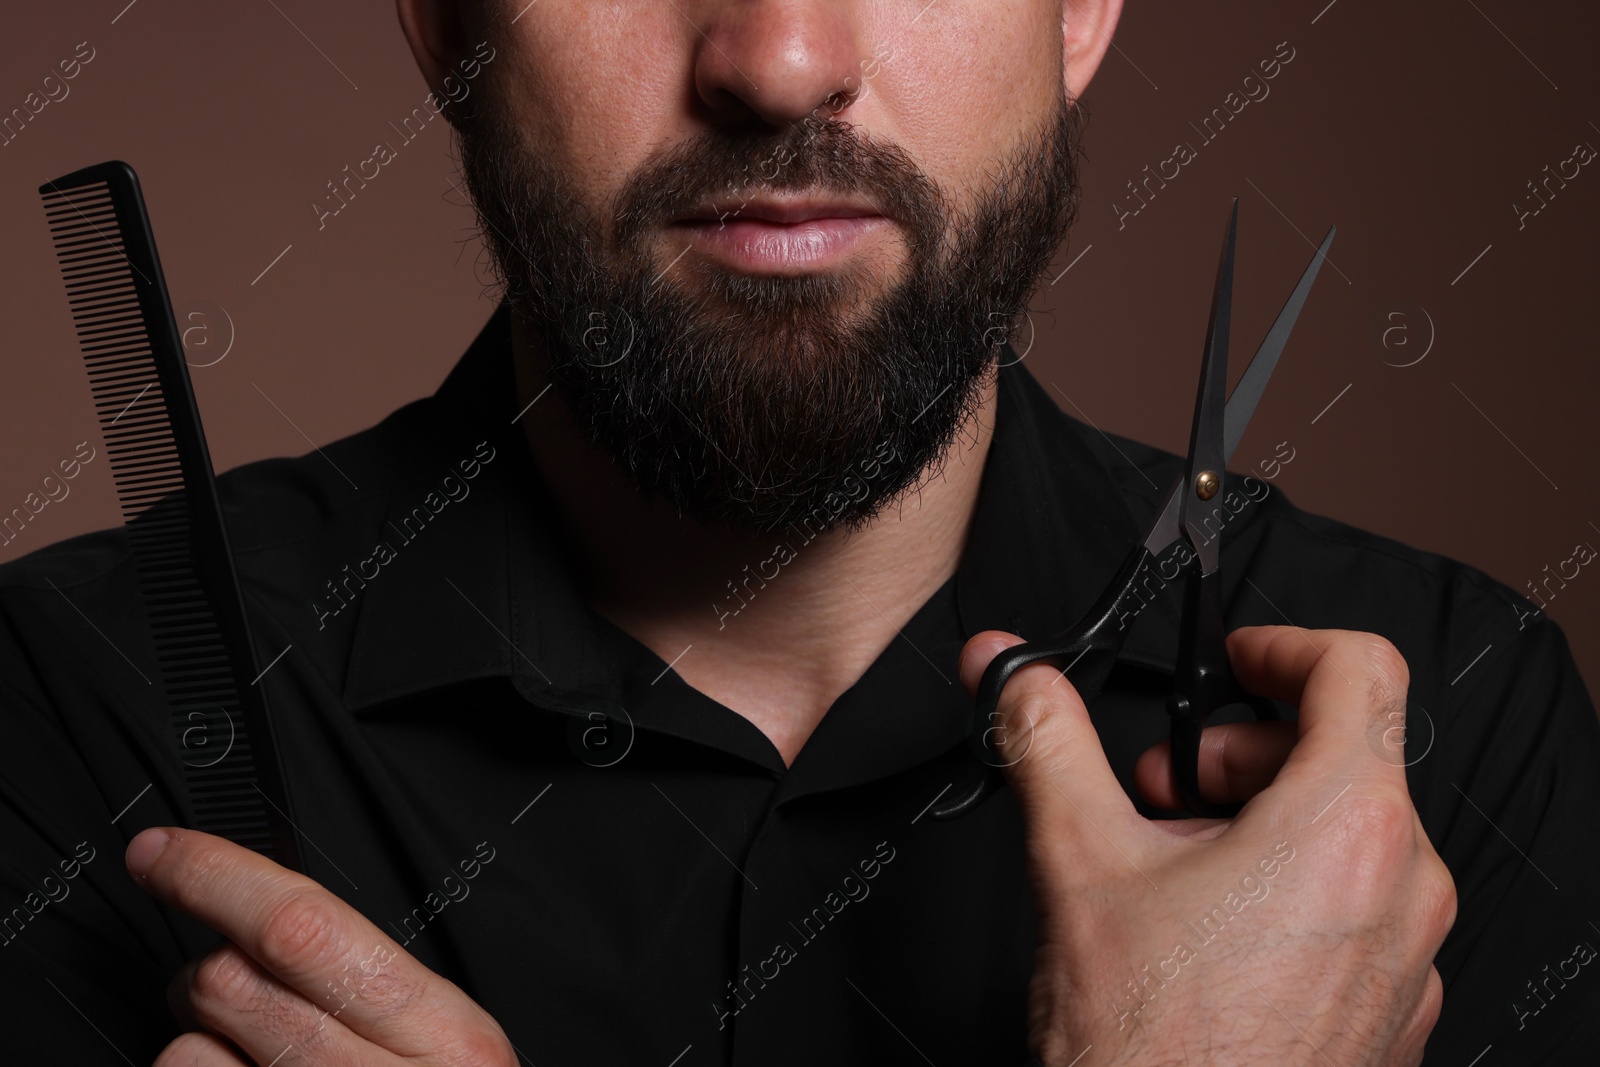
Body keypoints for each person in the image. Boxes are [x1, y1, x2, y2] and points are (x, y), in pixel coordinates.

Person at [2, 1, 1596, 1063]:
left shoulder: (1441, 740)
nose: (774, 60)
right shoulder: (74, 716)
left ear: (1083, 8)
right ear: (441, 18)